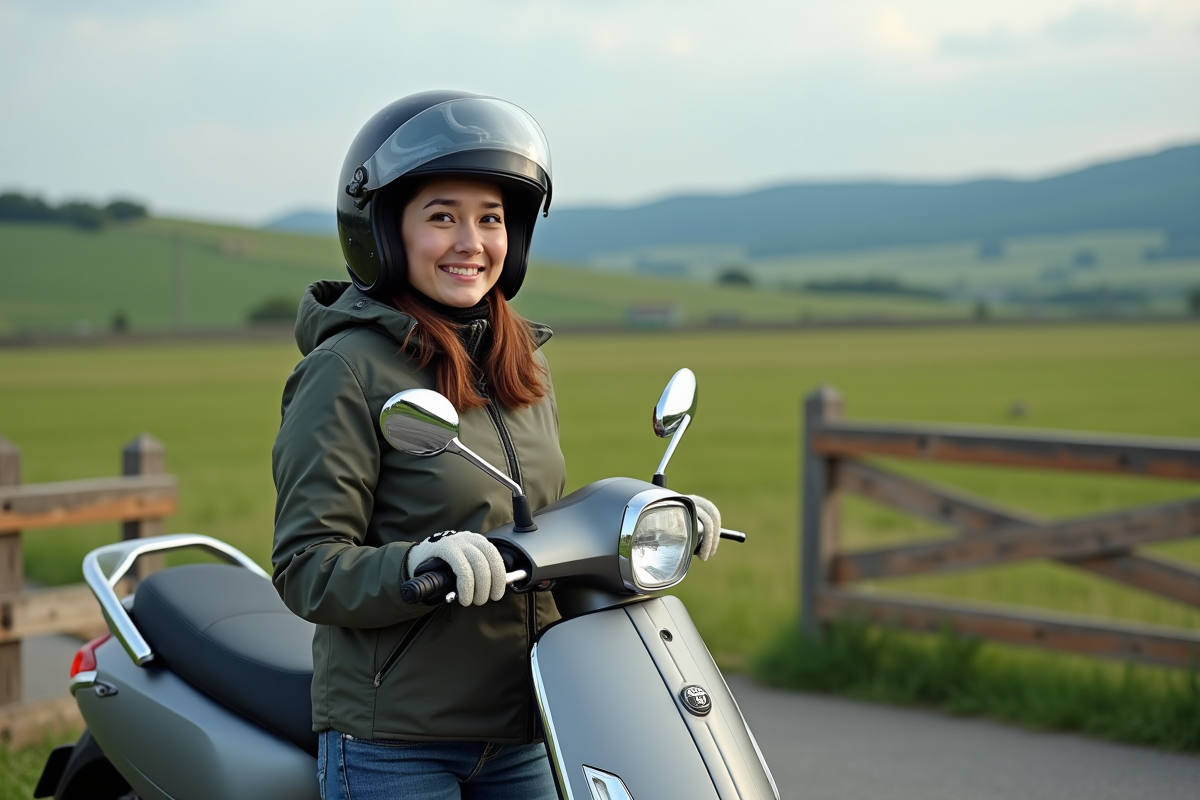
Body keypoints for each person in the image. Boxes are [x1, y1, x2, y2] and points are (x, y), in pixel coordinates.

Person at [270, 90, 724, 800]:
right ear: (384, 230)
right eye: (442, 216)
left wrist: (650, 516)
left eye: (491, 218)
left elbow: (531, 520)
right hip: (398, 740)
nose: (471, 242)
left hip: (530, 724)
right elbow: (306, 567)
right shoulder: (347, 370)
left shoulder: (522, 362)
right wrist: (419, 562)